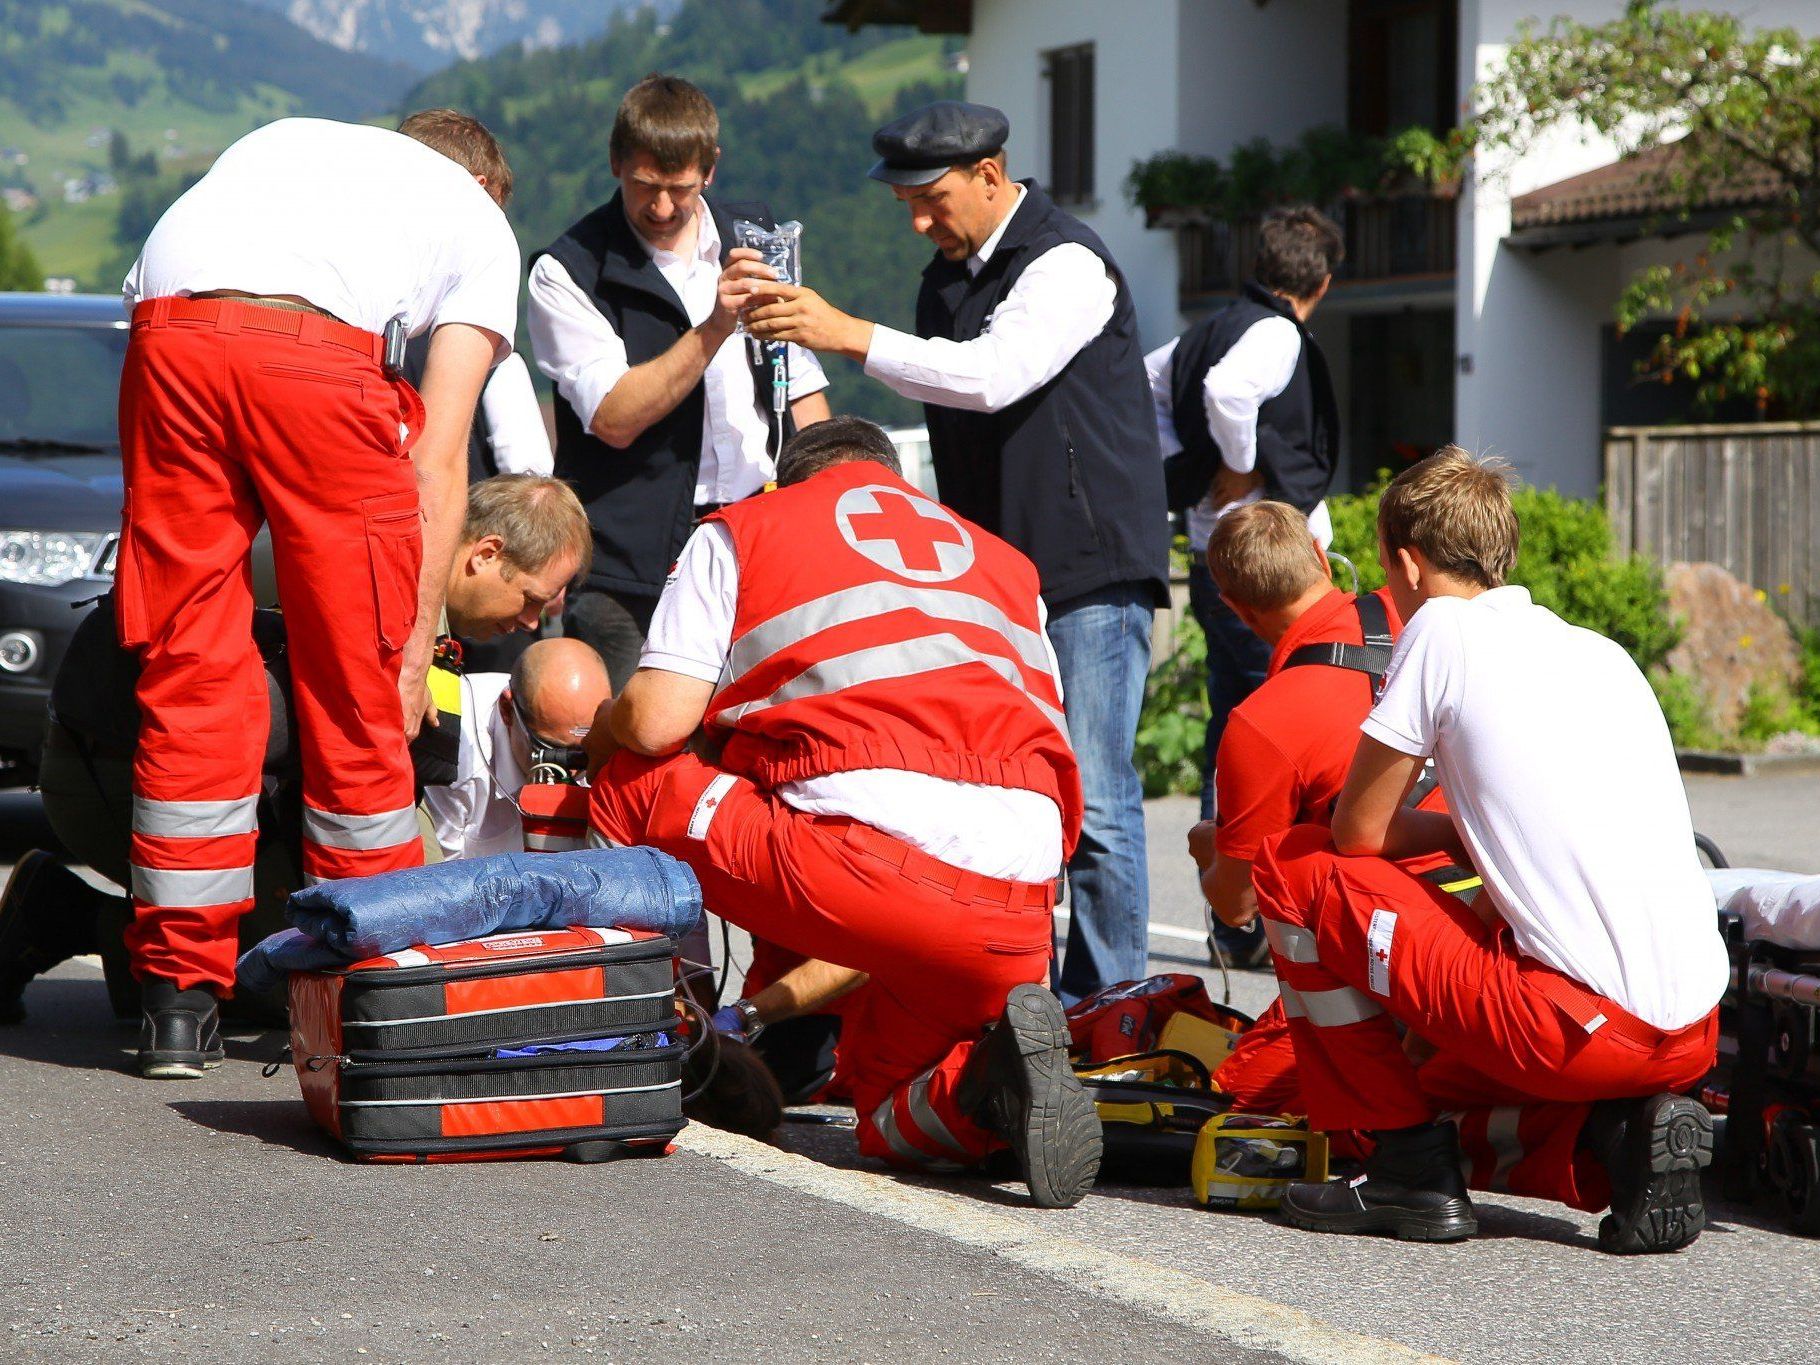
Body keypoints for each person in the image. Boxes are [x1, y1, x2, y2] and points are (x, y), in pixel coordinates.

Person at [586, 416, 1101, 1207]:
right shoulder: (1006, 563)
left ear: (790, 482)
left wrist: (604, 729)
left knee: (629, 775)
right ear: (895, 478)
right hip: (1018, 909)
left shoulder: (744, 529)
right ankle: (983, 1086)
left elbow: (657, 721)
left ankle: (641, 1042)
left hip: (870, 870)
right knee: (885, 1104)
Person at [115, 111, 521, 1078]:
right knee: (353, 683)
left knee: (189, 665)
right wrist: (414, 654)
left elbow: (161, 290)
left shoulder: (291, 146)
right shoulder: (479, 220)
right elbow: (437, 460)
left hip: (169, 336)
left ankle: (177, 1003)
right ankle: (370, 984)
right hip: (314, 361)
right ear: (487, 187)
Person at [741, 100, 1169, 1005]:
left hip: (1088, 568)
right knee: (1013, 793)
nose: (918, 223)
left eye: (930, 201)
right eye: (905, 205)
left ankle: (1112, 1009)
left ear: (990, 174)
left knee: (1095, 799)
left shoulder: (1067, 261)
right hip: (999, 586)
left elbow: (991, 376)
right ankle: (1029, 999)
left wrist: (846, 332)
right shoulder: (945, 282)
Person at [1254, 448, 1727, 1253]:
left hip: (1577, 1030)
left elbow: (1356, 832)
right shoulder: (1601, 653)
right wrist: (1476, 832)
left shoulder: (1441, 627)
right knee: (1434, 1084)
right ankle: (1618, 1140)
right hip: (1692, 1034)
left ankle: (1405, 1166)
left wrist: (1451, 828)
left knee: (1294, 864)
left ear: (1407, 563)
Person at [0, 474, 594, 1024]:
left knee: (326, 960)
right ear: (485, 554)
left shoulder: (416, 594)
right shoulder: (386, 583)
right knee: (292, 974)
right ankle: (58, 914)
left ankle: (133, 944)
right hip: (121, 777)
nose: (531, 623)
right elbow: (362, 776)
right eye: (530, 599)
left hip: (204, 779)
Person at [527, 74, 832, 692]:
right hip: (630, 565)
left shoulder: (756, 235)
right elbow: (614, 418)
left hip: (757, 531)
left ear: (710, 169)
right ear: (615, 162)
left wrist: (828, 498)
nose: (662, 208)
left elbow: (796, 381)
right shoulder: (567, 270)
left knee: (759, 721)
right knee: (631, 732)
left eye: (680, 189)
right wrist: (716, 326)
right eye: (645, 186)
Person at [1180, 501, 1448, 1118]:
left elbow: (1237, 905)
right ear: (1323, 560)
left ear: (1237, 609)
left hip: (1397, 952)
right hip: (1507, 915)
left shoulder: (1262, 724)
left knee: (1241, 1106)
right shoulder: (1421, 615)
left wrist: (1210, 850)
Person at [1145, 207, 1343, 968]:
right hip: (1267, 561)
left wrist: (1187, 469)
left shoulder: (1206, 329)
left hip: (1213, 557)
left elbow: (1148, 384)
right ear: (1323, 282)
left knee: (1233, 730)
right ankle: (1255, 913)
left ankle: (1231, 918)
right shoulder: (1276, 332)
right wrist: (1238, 464)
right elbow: (1230, 392)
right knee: (1280, 733)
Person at [423, 637, 611, 862]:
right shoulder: (455, 752)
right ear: (507, 710)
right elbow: (443, 871)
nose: (571, 772)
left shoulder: (608, 744)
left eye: (583, 755)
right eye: (554, 752)